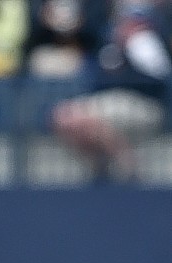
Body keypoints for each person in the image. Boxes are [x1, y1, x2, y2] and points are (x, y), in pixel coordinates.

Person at [52, 0, 170, 182]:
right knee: (64, 117)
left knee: (75, 117)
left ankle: (127, 164)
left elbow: (160, 78)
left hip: (141, 103)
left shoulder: (142, 38)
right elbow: (95, 77)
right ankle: (104, 168)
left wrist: (130, 53)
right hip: (109, 100)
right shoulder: (108, 36)